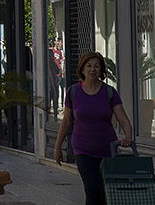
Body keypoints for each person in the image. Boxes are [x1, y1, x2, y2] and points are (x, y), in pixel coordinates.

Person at [54, 51, 134, 205]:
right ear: (82, 69)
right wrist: (58, 147)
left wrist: (128, 137)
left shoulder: (110, 92)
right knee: (93, 189)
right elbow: (66, 122)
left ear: (101, 70)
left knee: (104, 193)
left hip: (107, 149)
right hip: (83, 149)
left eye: (97, 66)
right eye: (89, 66)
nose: (93, 69)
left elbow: (122, 118)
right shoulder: (73, 92)